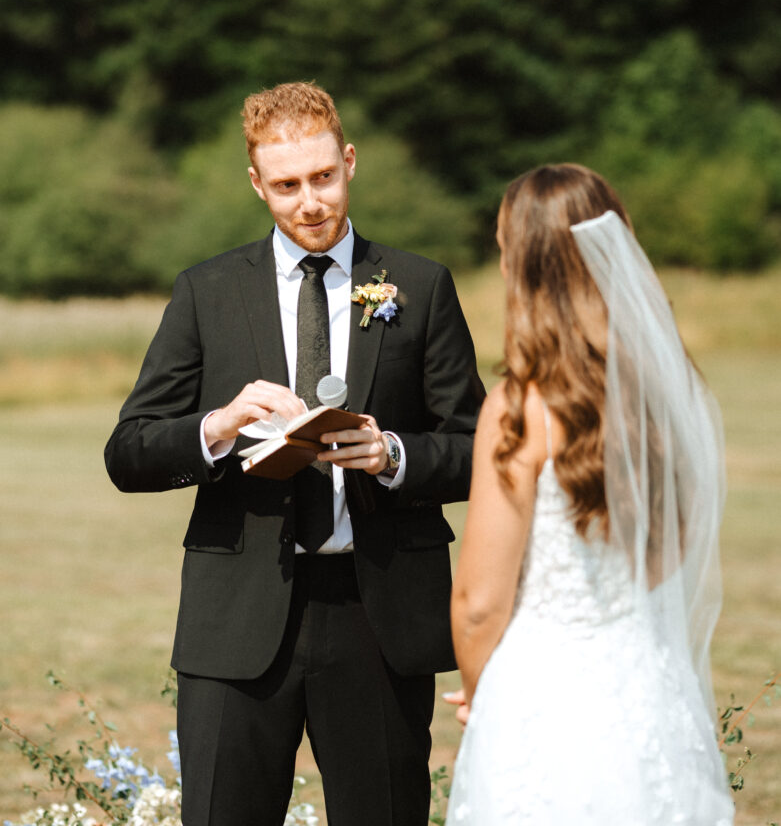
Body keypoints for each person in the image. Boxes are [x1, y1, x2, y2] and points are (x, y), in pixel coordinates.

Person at [104, 82, 484, 826]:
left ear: (348, 161)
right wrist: (216, 426)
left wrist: (393, 453)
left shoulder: (421, 286)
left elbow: (479, 450)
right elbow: (129, 451)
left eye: (322, 178)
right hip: (235, 620)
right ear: (256, 183)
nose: (308, 202)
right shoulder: (206, 292)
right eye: (285, 186)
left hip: (378, 617)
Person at [444, 164, 734, 825]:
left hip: (544, 702)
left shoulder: (522, 406)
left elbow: (478, 605)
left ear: (525, 265)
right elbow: (670, 556)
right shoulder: (666, 392)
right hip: (650, 691)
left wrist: (477, 694)